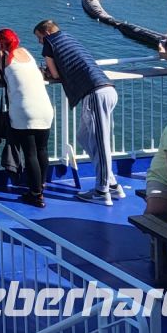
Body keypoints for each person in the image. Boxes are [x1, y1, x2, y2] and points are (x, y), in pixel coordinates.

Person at [34, 20, 123, 205]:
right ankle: (112, 184)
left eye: (39, 38)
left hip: (95, 93)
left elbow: (55, 74)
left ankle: (102, 191)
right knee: (84, 137)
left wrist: (44, 73)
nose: (39, 43)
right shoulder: (69, 38)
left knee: (101, 142)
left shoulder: (50, 43)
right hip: (104, 90)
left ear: (46, 33)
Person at [0, 28, 54, 208]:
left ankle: (36, 195)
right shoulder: (26, 53)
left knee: (29, 153)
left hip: (24, 111)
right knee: (42, 149)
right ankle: (42, 185)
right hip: (45, 107)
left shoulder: (2, 56)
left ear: (0, 43)